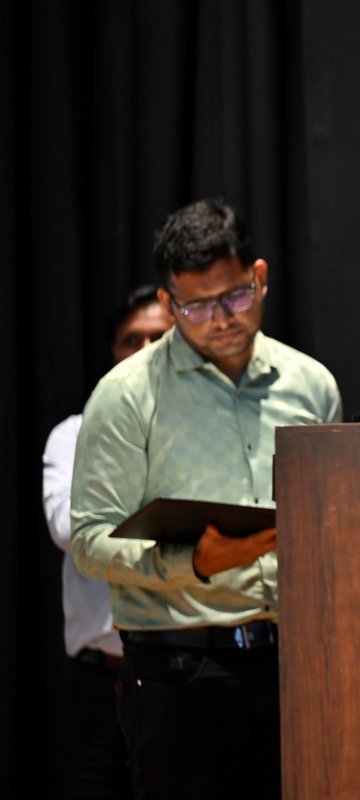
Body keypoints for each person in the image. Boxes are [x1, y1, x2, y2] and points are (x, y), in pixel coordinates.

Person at [69, 198, 342, 800]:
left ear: (260, 277)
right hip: (178, 670)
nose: (219, 319)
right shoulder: (126, 395)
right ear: (168, 304)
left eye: (235, 296)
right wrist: (190, 563)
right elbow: (89, 542)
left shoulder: (310, 384)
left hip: (294, 661)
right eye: (195, 306)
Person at [42, 284, 173, 799]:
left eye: (158, 338)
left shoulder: (206, 436)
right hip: (102, 677)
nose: (144, 351)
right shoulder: (74, 434)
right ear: (112, 353)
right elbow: (69, 530)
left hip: (183, 670)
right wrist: (170, 522)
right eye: (131, 340)